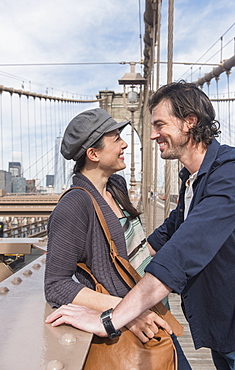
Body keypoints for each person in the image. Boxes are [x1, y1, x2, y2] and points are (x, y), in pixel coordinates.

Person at [46, 82, 235, 369]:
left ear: (190, 122)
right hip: (220, 328)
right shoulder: (193, 179)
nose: (150, 135)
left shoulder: (233, 171)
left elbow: (185, 248)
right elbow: (168, 233)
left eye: (160, 124)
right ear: (92, 154)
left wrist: (112, 317)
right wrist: (119, 304)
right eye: (116, 138)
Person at [44, 107, 191, 368]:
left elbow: (135, 247)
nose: (124, 144)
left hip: (153, 311)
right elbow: (56, 283)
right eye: (116, 139)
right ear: (93, 154)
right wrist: (126, 312)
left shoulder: (116, 186)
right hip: (131, 326)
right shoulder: (75, 205)